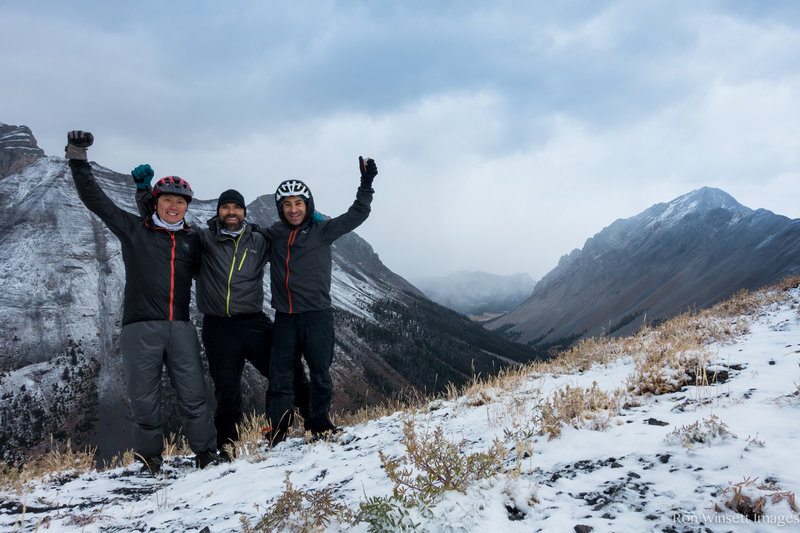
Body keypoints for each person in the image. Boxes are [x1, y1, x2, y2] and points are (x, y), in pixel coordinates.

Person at [64, 131, 216, 474]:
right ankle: (150, 461)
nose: (174, 206)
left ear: (187, 206)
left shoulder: (194, 240)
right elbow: (95, 200)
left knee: (194, 396)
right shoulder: (135, 230)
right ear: (157, 201)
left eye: (180, 202)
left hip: (180, 327)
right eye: (167, 200)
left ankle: (206, 454)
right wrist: (77, 157)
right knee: (144, 401)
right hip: (140, 328)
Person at [132, 167, 310, 457]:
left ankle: (313, 421)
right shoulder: (203, 239)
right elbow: (160, 223)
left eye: (237, 207)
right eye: (226, 207)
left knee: (287, 371)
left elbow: (290, 231)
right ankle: (227, 444)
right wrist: (144, 194)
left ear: (243, 212)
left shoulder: (259, 240)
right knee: (226, 390)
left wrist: (312, 220)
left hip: (253, 322)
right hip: (217, 326)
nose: (231, 212)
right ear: (219, 211)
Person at [263, 156, 378, 443]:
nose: (293, 209)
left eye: (298, 203)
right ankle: (277, 430)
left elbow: (358, 213)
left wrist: (366, 183)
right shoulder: (273, 234)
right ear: (281, 208)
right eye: (287, 204)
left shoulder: (322, 230)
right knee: (280, 376)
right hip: (285, 317)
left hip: (317, 315)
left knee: (320, 373)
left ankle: (320, 425)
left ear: (307, 204)